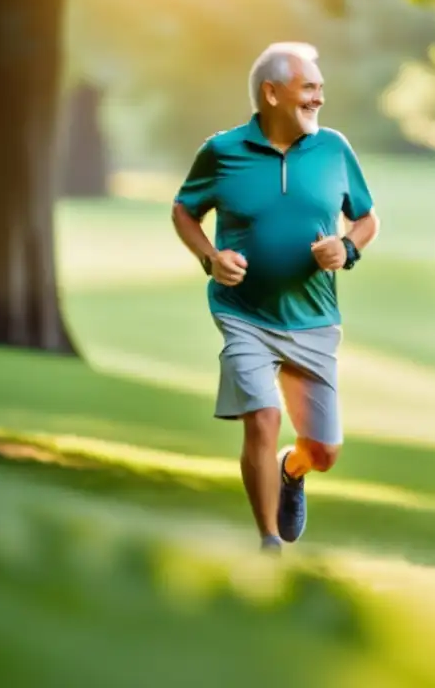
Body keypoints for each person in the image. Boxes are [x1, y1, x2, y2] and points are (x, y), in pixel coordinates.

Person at [171, 42, 379, 553]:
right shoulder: (222, 152)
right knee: (262, 417)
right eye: (308, 89)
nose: (318, 100)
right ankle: (269, 543)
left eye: (320, 90)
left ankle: (294, 469)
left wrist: (347, 246)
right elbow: (183, 210)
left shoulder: (334, 149)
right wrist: (209, 258)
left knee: (325, 451)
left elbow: (367, 217)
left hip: (314, 319)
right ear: (271, 93)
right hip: (243, 314)